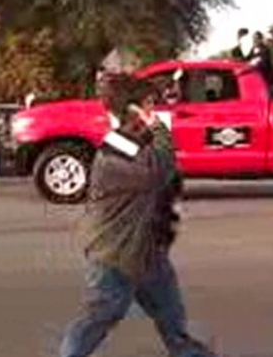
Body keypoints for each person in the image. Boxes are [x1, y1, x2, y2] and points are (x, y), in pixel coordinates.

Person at [58, 73, 213, 357]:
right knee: (100, 316)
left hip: (147, 251)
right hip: (115, 254)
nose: (155, 111)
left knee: (172, 318)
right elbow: (157, 170)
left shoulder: (136, 141)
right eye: (149, 104)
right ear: (132, 109)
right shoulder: (115, 149)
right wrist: (161, 130)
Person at [249, 31, 273, 97]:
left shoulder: (265, 49)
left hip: (267, 77)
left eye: (257, 38)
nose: (255, 41)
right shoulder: (252, 50)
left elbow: (265, 62)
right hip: (257, 77)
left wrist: (256, 62)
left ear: (260, 39)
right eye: (254, 39)